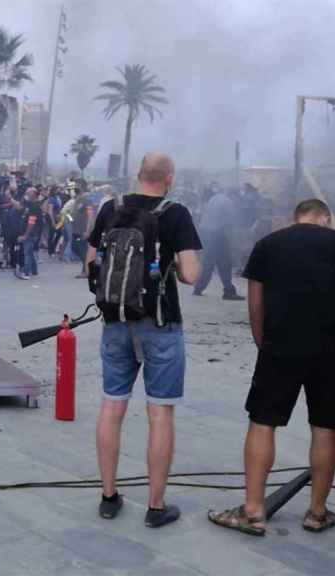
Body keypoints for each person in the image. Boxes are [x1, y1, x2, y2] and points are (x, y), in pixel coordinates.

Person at [209, 199, 335, 536]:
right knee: (325, 427)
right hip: (331, 349)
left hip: (280, 345)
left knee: (263, 422)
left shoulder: (269, 244)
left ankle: (254, 510)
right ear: (326, 218)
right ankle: (317, 513)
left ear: (296, 218)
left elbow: (255, 302)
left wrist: (264, 342)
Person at [85, 153, 201, 528]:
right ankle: (155, 505)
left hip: (115, 320)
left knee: (112, 406)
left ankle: (108, 496)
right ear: (169, 177)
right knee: (160, 412)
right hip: (161, 323)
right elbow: (191, 275)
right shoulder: (175, 213)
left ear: (138, 175)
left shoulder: (110, 208)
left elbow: (90, 262)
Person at [194, 184, 244, 300]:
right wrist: (232, 242)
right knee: (224, 263)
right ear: (233, 195)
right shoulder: (228, 202)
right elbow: (229, 223)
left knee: (209, 262)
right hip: (218, 234)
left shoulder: (215, 198)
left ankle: (199, 288)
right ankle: (228, 291)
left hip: (207, 232)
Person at [16, 187, 44, 279]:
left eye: (28, 194)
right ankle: (34, 270)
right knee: (30, 252)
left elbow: (31, 222)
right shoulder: (29, 204)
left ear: (33, 195)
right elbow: (20, 208)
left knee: (27, 252)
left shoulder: (34, 206)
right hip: (29, 232)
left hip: (31, 233)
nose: (26, 195)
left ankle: (26, 272)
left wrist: (25, 235)